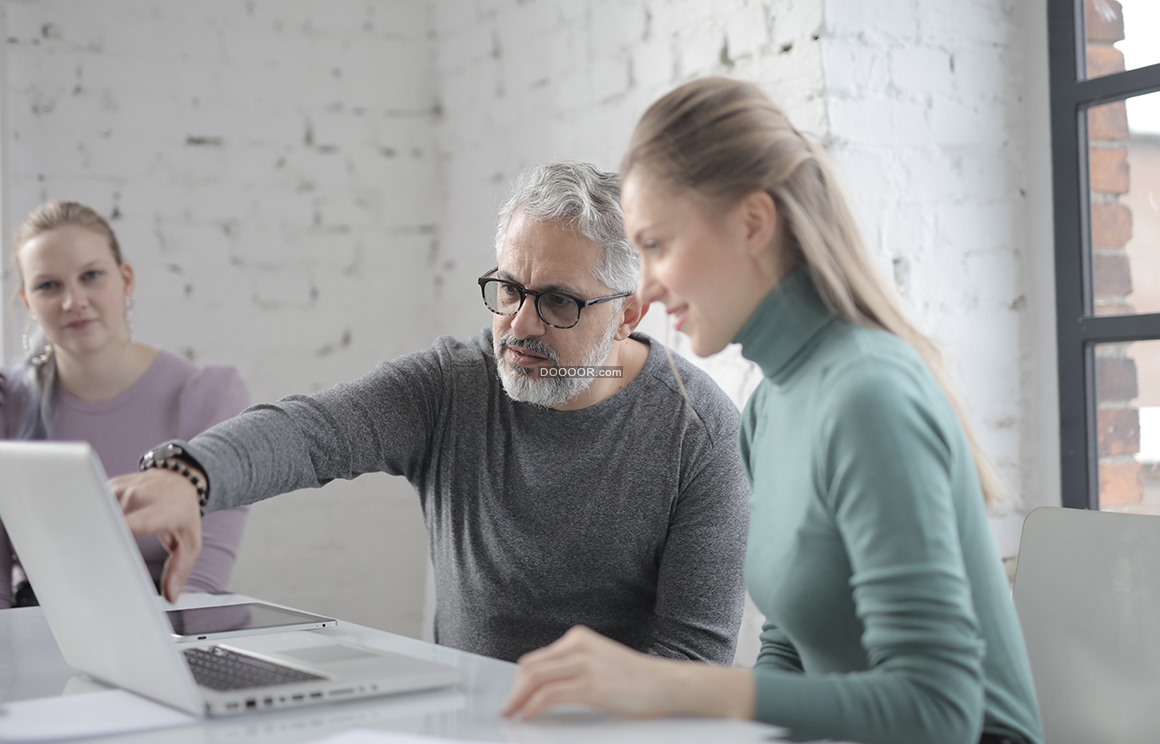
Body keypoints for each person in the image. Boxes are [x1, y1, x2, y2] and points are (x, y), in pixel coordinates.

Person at [502, 78, 1043, 744]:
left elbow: (939, 711)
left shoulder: (869, 395)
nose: (645, 287)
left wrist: (670, 686)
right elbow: (792, 649)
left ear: (754, 223)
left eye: (660, 246)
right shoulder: (765, 409)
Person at [113, 162, 750, 664]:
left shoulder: (702, 434)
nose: (518, 325)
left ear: (629, 314)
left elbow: (692, 661)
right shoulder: (453, 385)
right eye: (508, 289)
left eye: (558, 301)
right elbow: (313, 432)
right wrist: (189, 474)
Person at [0, 200, 250, 608]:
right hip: (35, 627)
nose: (72, 301)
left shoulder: (206, 395)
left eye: (91, 275)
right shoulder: (7, 399)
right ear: (28, 301)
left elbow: (201, 581)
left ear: (126, 279)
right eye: (49, 286)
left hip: (167, 626)